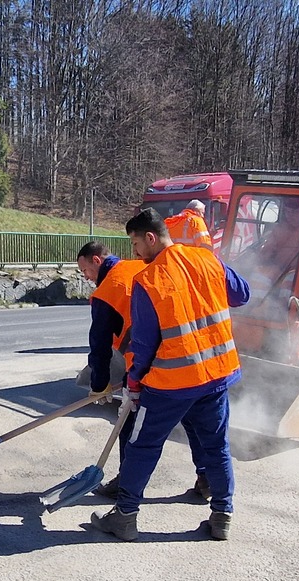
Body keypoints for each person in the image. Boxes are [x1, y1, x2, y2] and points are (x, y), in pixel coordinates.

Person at [90, 208, 251, 542]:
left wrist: (134, 382)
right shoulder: (207, 259)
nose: (135, 253)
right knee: (216, 446)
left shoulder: (149, 279)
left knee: (142, 445)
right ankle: (222, 516)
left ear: (150, 238)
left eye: (136, 244)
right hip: (216, 376)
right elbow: (242, 294)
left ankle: (125, 517)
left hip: (172, 383)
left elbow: (145, 343)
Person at [75, 242, 211, 501]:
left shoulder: (106, 291)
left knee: (132, 424)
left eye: (85, 270)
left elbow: (100, 345)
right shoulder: (139, 266)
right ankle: (207, 478)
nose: (86, 277)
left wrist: (100, 384)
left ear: (97, 260)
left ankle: (126, 485)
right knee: (192, 419)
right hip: (186, 355)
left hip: (148, 364)